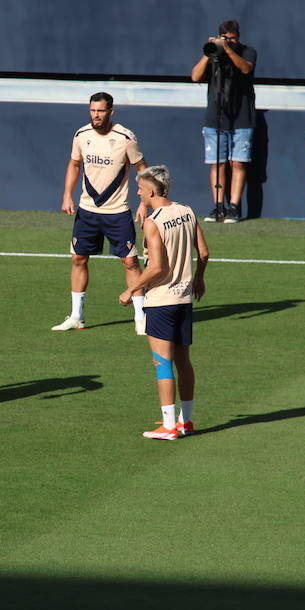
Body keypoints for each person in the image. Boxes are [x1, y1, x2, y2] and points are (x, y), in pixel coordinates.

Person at [120, 166, 209, 441]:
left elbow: (157, 266)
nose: (137, 192)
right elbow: (203, 252)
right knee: (184, 361)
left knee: (162, 363)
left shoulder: (153, 221)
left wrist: (131, 288)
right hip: (184, 300)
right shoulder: (187, 211)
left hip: (161, 301)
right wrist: (199, 279)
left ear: (150, 190)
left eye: (139, 189)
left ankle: (169, 426)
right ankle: (187, 420)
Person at [53, 92, 149, 335]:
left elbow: (142, 167)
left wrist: (145, 202)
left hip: (117, 212)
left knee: (130, 262)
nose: (96, 115)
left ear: (111, 112)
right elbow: (74, 164)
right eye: (93, 110)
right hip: (87, 211)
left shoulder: (125, 137)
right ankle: (77, 316)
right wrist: (67, 195)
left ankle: (140, 316)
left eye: (101, 111)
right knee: (78, 259)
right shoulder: (81, 135)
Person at [190, 19, 257, 223]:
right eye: (225, 38)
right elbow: (195, 77)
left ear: (238, 37)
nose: (229, 41)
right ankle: (218, 206)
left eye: (232, 38)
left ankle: (234, 207)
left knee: (237, 162)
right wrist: (209, 53)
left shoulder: (247, 51)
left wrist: (228, 49)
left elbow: (245, 69)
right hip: (216, 117)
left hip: (242, 117)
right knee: (217, 163)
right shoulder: (213, 55)